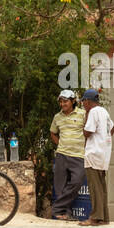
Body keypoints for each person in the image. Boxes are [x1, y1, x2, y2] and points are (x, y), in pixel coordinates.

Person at [48, 89, 87, 220]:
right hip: (62, 155)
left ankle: (57, 208)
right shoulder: (57, 117)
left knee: (77, 182)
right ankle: (65, 213)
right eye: (61, 101)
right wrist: (60, 145)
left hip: (79, 155)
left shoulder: (83, 114)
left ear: (73, 101)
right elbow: (53, 133)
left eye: (65, 101)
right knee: (60, 187)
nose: (63, 104)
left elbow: (88, 132)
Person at [80, 88, 114, 226]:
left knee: (94, 187)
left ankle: (95, 217)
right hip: (103, 153)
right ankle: (104, 217)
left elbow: (87, 133)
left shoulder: (93, 112)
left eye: (83, 101)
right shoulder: (104, 112)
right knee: (101, 187)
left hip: (93, 154)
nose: (83, 104)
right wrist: (103, 139)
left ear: (88, 101)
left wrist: (86, 117)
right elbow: (113, 128)